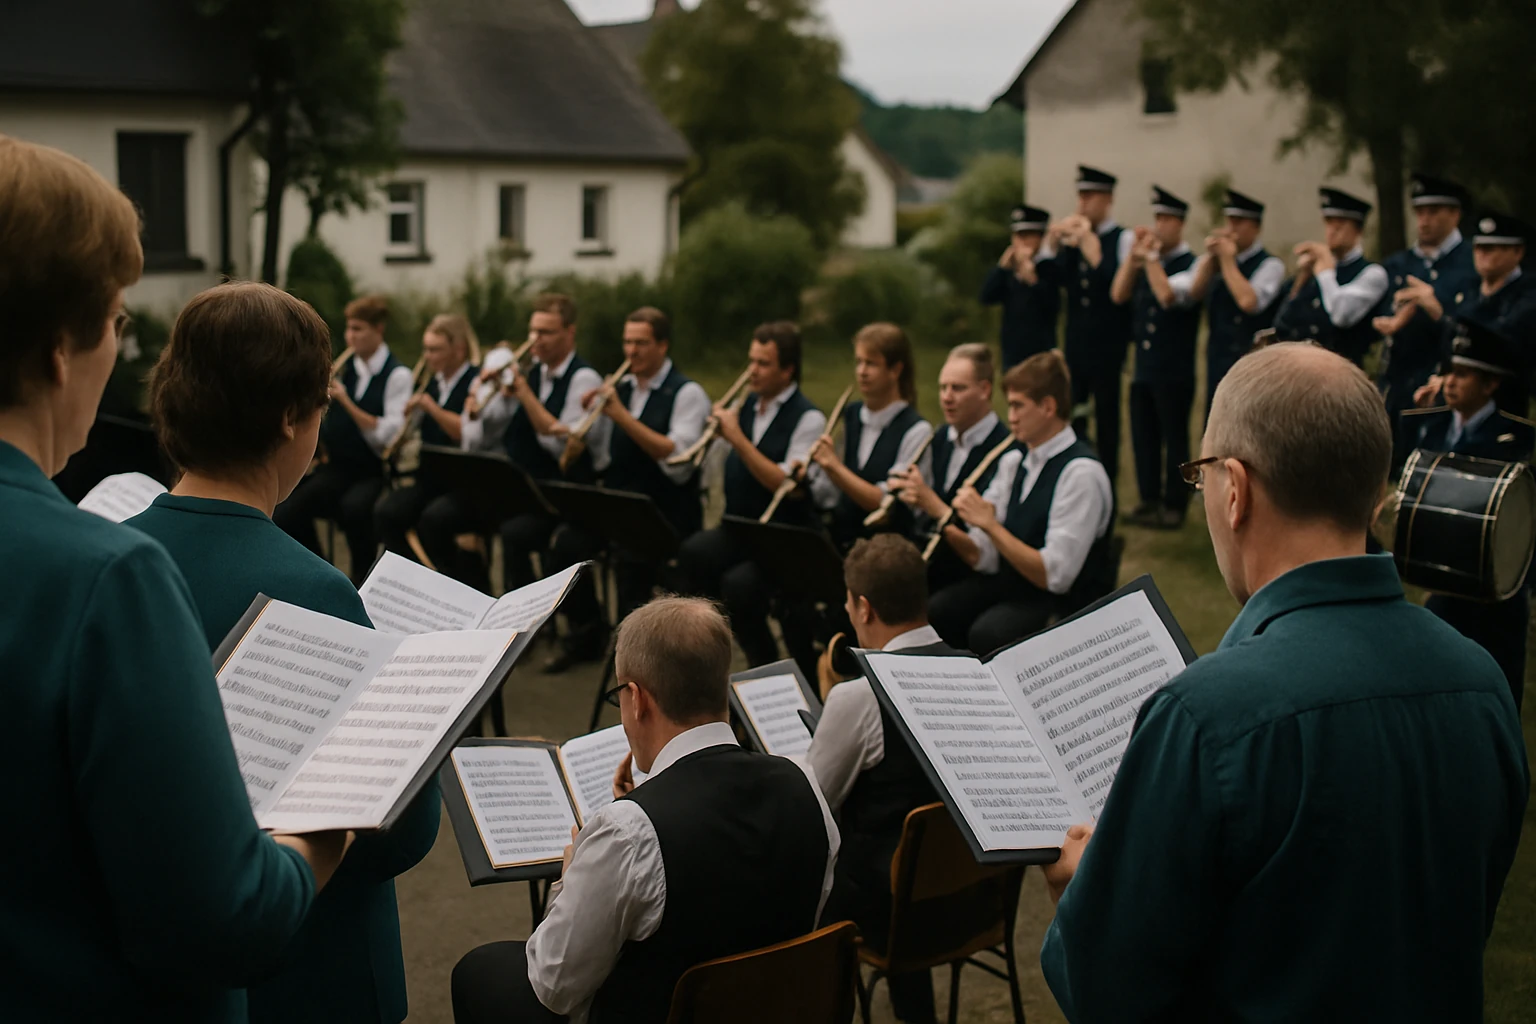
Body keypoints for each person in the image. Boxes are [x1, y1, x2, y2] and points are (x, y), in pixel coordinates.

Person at [1039, 342, 1528, 1020]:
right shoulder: (1481, 682)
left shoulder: (1207, 716)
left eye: (1201, 476)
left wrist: (1077, 890)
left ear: (1234, 489)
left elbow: (1107, 989)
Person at [0, 133, 347, 1020]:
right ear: (55, 351)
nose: (120, 347)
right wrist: (320, 831)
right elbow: (220, 920)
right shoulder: (102, 576)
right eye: (117, 321)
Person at [127, 282, 441, 1024]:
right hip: (306, 970)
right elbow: (396, 835)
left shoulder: (117, 556)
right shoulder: (312, 589)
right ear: (291, 417)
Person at [450, 597, 839, 1024]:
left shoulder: (628, 832)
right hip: (776, 1008)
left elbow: (554, 985)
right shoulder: (805, 784)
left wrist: (572, 873)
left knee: (480, 970)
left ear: (636, 699)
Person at [811, 535, 953, 1024]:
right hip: (966, 899)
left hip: (885, 912)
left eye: (849, 604)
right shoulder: (977, 670)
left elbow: (814, 803)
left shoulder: (859, 698)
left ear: (864, 607)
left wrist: (833, 707)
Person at [543, 308, 710, 673]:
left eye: (641, 343)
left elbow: (677, 458)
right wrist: (590, 426)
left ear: (663, 345)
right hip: (623, 509)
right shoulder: (623, 389)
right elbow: (607, 456)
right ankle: (589, 632)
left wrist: (620, 416)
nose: (631, 351)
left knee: (632, 561)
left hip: (665, 513)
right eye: (627, 342)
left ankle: (643, 661)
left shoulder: (687, 393)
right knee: (564, 545)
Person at [926, 351, 1113, 656]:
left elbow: (1055, 576)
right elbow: (984, 557)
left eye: (1017, 406)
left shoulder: (1081, 473)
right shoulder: (1014, 462)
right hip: (1012, 588)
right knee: (938, 611)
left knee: (988, 632)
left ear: (1048, 407)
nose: (1010, 416)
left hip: (1063, 606)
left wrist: (989, 525)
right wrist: (941, 517)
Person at [674, 321, 826, 671]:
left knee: (740, 585)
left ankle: (766, 664)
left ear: (788, 370)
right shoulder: (745, 406)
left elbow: (784, 484)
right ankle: (708, 655)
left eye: (763, 364)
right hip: (740, 526)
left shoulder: (809, 419)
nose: (751, 372)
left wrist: (737, 438)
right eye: (751, 361)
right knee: (693, 553)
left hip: (781, 536)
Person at [1401, 320, 1535, 707]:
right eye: (1447, 372)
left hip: (1495, 593)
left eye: (1462, 374)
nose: (1449, 382)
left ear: (1491, 384)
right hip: (1442, 583)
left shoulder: (1516, 439)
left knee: (1494, 690)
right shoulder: (1432, 423)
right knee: (1436, 684)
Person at [274, 295, 410, 583]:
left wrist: (346, 402)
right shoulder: (347, 369)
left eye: (359, 329)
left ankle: (362, 578)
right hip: (338, 467)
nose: (351, 336)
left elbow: (387, 436)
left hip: (372, 469)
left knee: (355, 509)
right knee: (287, 510)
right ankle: (322, 573)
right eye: (349, 328)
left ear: (378, 330)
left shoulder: (397, 375)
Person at [1372, 173, 1478, 474]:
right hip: (1398, 384)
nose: (1424, 221)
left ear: (1454, 214)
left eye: (1433, 212)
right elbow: (1378, 317)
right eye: (1419, 212)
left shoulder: (1471, 261)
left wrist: (1435, 308)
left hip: (1443, 383)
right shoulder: (1399, 264)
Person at [1111, 186, 1201, 530]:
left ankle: (1175, 503)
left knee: (1174, 436)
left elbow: (1166, 295)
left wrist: (1149, 261)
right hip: (1144, 368)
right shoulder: (1149, 262)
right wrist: (1134, 258)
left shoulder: (1190, 265)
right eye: (1157, 218)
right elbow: (1118, 294)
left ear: (1180, 224)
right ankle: (1148, 500)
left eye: (1167, 220)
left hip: (1174, 367)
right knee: (1143, 434)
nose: (1160, 226)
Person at [888, 343, 1011, 592]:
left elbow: (984, 542)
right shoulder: (942, 435)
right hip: (933, 559)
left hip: (971, 574)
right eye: (943, 387)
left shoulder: (1006, 450)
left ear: (985, 390)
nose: (946, 397)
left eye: (958, 388)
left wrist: (931, 504)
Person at [1042, 165, 1135, 491]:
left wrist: (1093, 252)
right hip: (1076, 344)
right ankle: (1076, 477)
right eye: (1079, 196)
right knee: (1074, 413)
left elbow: (1119, 291)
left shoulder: (1122, 239)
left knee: (1107, 416)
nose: (1081, 205)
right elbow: (1054, 280)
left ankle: (1107, 480)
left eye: (1089, 197)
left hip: (1108, 345)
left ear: (1107, 199)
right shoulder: (1075, 241)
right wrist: (1054, 245)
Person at [808, 322, 933, 550]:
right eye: (858, 362)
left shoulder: (916, 431)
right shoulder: (851, 415)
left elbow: (887, 505)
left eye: (871, 364)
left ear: (895, 370)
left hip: (885, 551)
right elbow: (829, 494)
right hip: (841, 541)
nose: (862, 372)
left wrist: (835, 468)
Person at [373, 313, 480, 564]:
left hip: (464, 482)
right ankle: (412, 576)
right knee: (387, 512)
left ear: (459, 349)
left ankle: (460, 578)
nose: (428, 357)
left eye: (435, 350)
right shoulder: (433, 382)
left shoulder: (476, 381)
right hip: (431, 477)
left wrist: (431, 408)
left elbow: (466, 432)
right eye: (426, 349)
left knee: (434, 521)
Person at [1410, 212, 1536, 413]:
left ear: (1517, 252)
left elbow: (1500, 344)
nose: (1482, 255)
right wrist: (1440, 377)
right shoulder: (1468, 289)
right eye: (1478, 248)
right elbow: (1448, 342)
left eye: (1491, 248)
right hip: (1455, 404)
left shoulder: (1528, 295)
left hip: (1501, 403)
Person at [1186, 187, 1285, 421]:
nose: (1232, 229)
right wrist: (1211, 259)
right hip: (1217, 357)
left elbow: (1249, 302)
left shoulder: (1271, 265)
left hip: (1251, 358)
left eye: (1239, 222)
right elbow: (1194, 293)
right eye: (1229, 221)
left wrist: (1228, 260)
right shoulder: (1216, 262)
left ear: (1256, 227)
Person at [1273, 186, 1390, 365]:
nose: (1332, 231)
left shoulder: (1372, 274)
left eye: (1340, 225)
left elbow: (1341, 315)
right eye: (1328, 223)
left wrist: (1326, 271)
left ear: (1358, 231)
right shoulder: (1315, 271)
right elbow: (1282, 323)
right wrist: (1303, 277)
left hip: (1343, 372)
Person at [979, 205, 1061, 368]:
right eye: (1017, 235)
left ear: (1040, 237)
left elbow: (1053, 306)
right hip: (1012, 351)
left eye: (1027, 235)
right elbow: (986, 297)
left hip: (1039, 351)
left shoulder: (1049, 268)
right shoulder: (1009, 271)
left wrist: (1032, 280)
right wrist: (1001, 269)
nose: (1021, 241)